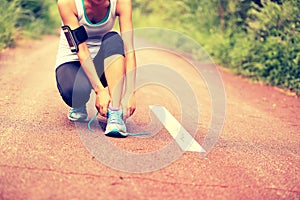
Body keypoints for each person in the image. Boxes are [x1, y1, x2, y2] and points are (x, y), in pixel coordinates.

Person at [55, 0, 136, 137]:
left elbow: (129, 50)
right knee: (75, 93)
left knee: (114, 38)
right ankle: (79, 104)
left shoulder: (121, 2)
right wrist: (100, 91)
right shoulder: (68, 3)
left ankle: (115, 113)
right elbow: (82, 51)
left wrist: (130, 92)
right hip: (74, 60)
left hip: (103, 60)